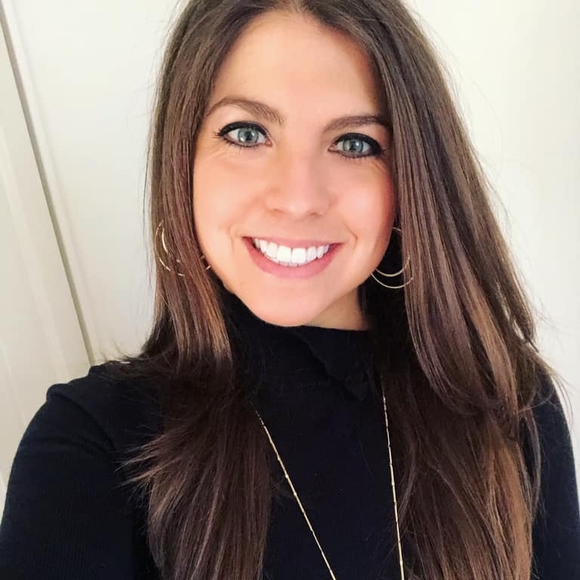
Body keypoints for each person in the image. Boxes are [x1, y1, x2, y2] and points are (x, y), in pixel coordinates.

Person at [1, 0, 579, 578]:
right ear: (182, 160)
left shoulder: (507, 405)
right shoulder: (90, 445)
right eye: (247, 133)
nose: (298, 198)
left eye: (354, 143)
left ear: (411, 179)